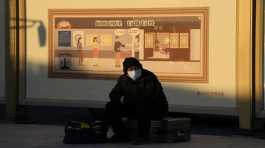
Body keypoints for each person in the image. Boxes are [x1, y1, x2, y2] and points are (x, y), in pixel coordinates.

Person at [104, 57, 168, 144]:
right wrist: (121, 99)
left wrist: (127, 99)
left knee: (143, 105)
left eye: (136, 68)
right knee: (111, 106)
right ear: (126, 71)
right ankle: (121, 134)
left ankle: (143, 136)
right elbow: (113, 94)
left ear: (140, 68)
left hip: (155, 109)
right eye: (131, 69)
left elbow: (148, 97)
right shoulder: (123, 79)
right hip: (134, 107)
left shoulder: (149, 78)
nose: (134, 71)